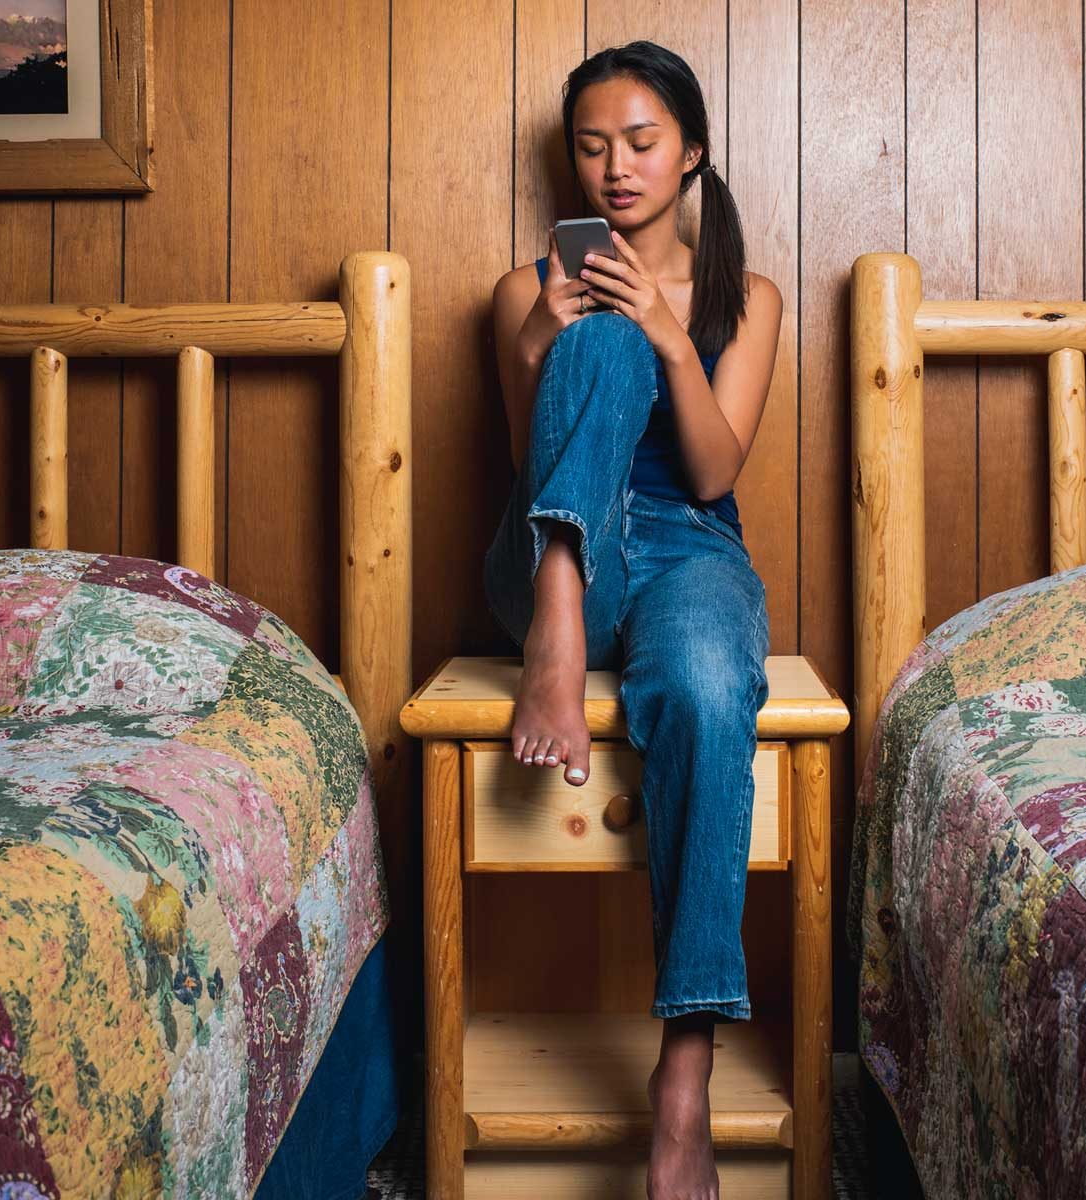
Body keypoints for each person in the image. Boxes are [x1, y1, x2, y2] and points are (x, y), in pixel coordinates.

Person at [483, 38, 782, 1200]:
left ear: (691, 151)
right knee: (592, 336)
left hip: (689, 551)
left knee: (709, 682)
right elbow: (527, 464)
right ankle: (559, 617)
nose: (615, 167)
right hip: (561, 546)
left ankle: (684, 1080)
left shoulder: (742, 298)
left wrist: (665, 327)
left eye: (642, 143)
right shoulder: (525, 289)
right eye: (593, 146)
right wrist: (537, 343)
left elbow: (712, 472)